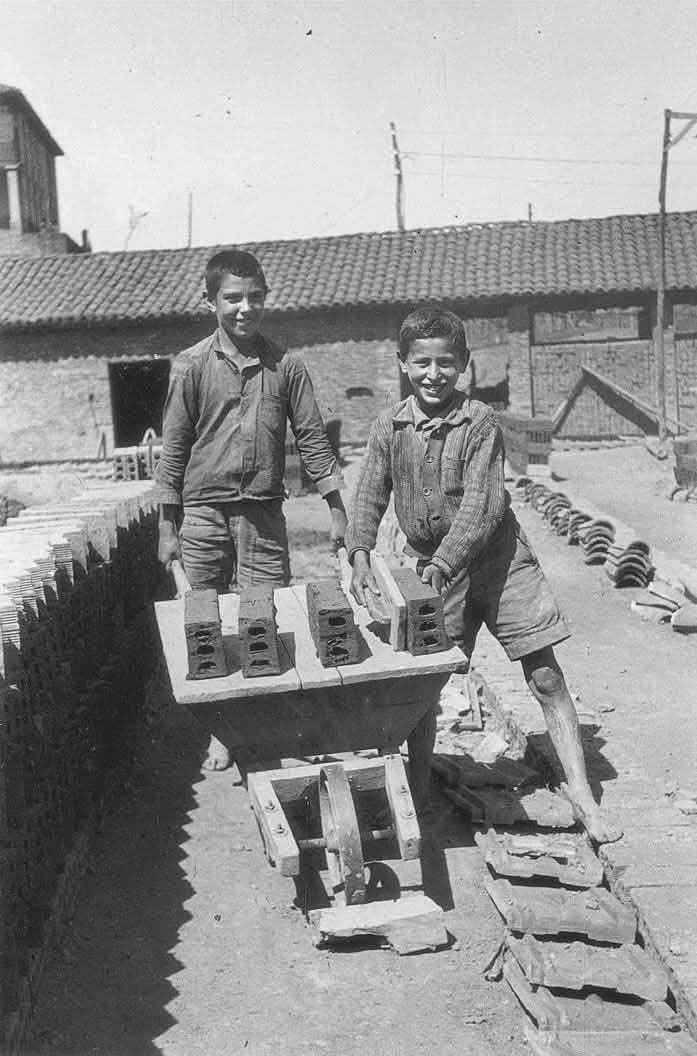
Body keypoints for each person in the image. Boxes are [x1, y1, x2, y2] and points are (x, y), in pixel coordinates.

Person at [345, 305, 621, 844]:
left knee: (544, 674)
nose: (433, 374)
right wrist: (358, 550)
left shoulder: (479, 423)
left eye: (445, 363)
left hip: (496, 561)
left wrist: (442, 564)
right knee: (427, 681)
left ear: (464, 364)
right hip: (433, 568)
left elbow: (482, 507)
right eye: (421, 362)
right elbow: (371, 493)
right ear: (403, 364)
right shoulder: (390, 426)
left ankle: (585, 795)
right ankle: (419, 791)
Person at [155, 249, 347, 770]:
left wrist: (336, 509)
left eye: (255, 297)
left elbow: (312, 440)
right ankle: (223, 731)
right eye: (233, 298)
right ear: (210, 301)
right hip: (203, 515)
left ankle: (261, 730)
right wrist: (167, 526)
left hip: (262, 516)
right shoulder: (191, 366)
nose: (245, 308)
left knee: (262, 616)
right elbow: (173, 448)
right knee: (207, 621)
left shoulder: (287, 366)